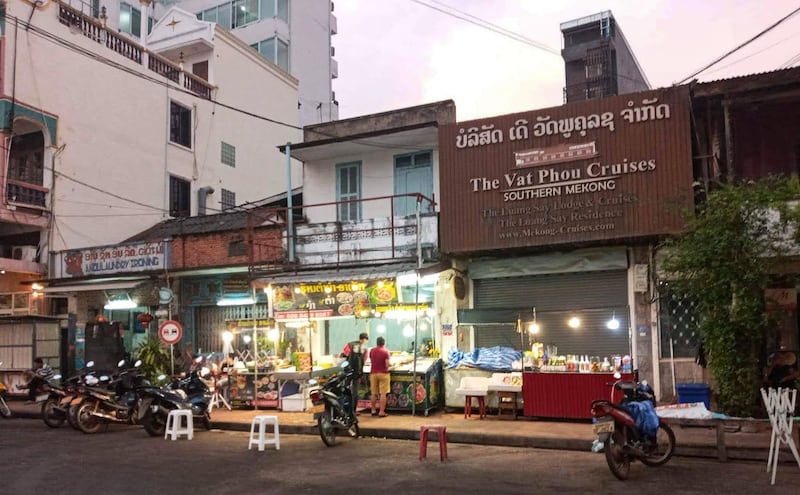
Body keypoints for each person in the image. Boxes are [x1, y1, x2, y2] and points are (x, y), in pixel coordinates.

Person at [341, 332, 369, 414]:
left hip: (348, 371)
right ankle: (353, 410)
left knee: (345, 389)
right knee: (355, 391)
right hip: (357, 372)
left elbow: (345, 354)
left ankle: (344, 409)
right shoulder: (364, 348)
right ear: (365, 339)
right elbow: (364, 359)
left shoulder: (349, 344)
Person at [369, 336, 391, 417]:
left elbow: (371, 360)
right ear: (384, 343)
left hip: (373, 373)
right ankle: (381, 412)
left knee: (373, 393)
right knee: (383, 393)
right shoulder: (386, 351)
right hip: (384, 373)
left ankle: (373, 410)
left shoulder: (372, 350)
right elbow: (387, 364)